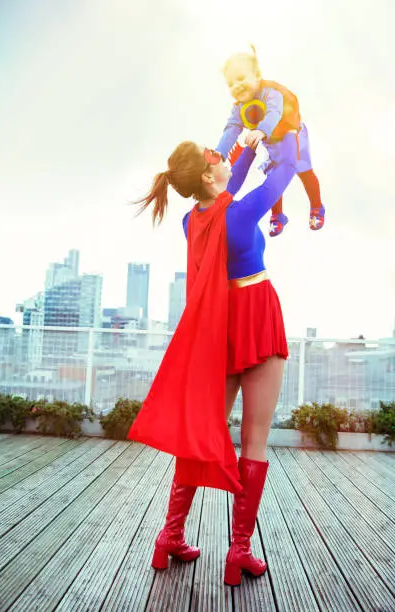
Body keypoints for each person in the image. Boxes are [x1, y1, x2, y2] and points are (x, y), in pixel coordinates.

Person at [128, 132, 297, 586]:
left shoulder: (194, 220)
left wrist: (245, 145)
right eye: (217, 156)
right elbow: (284, 173)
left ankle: (169, 536)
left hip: (218, 333)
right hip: (257, 319)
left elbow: (228, 185)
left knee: (201, 433)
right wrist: (291, 133)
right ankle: (239, 551)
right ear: (206, 174)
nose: (224, 159)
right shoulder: (239, 216)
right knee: (255, 437)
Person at [216, 45, 325, 237]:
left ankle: (317, 207)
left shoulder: (269, 93)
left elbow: (274, 111)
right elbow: (231, 129)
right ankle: (277, 215)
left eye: (241, 79)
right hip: (272, 142)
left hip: (294, 135)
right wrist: (219, 153)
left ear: (257, 76)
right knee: (274, 176)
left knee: (304, 172)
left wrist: (261, 130)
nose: (236, 86)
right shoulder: (240, 107)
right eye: (231, 83)